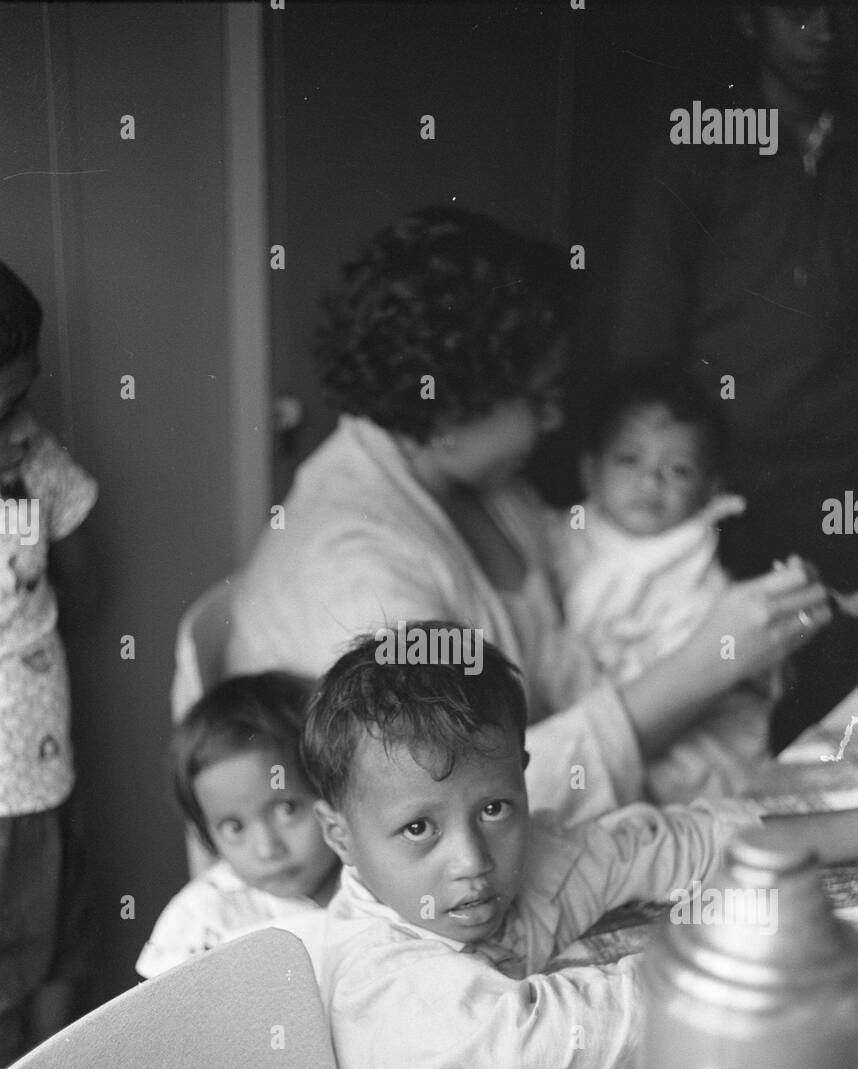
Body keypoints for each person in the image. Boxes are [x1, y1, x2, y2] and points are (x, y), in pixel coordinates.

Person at [221, 207, 829, 825]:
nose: (553, 420)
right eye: (538, 399)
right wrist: (706, 665)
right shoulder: (359, 565)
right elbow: (454, 798)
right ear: (453, 407)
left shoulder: (484, 486)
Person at [293, 624, 757, 1069]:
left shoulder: (529, 858)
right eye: (418, 828)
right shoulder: (380, 984)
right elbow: (552, 1028)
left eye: (494, 808)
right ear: (340, 837)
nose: (472, 861)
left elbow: (655, 845)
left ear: (521, 775)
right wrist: (753, 974)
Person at [610, 3, 858, 746]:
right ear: (750, 20)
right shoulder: (699, 147)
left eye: (844, 14)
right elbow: (644, 335)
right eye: (798, 13)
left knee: (833, 687)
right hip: (725, 482)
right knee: (733, 695)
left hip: (841, 476)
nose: (823, 34)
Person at [557, 362, 777, 802]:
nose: (650, 480)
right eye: (629, 459)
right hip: (576, 720)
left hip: (671, 721)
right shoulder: (564, 535)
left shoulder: (697, 569)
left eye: (678, 470)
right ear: (590, 472)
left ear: (709, 490)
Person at [0, 261, 98, 1067]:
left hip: (42, 758)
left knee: (59, 923)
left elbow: (88, 583)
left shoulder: (36, 463)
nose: (21, 420)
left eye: (24, 395)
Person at [135, 672, 340, 979]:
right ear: (206, 834)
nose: (267, 848)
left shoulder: (373, 884)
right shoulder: (202, 919)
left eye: (287, 809)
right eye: (234, 828)